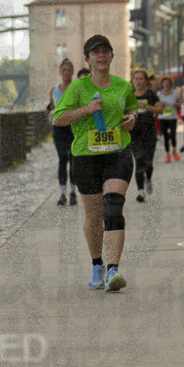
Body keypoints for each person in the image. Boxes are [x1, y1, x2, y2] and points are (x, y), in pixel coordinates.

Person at [53, 34, 138, 292]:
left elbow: (132, 109)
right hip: (85, 157)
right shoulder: (77, 89)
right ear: (88, 59)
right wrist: (86, 110)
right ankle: (97, 264)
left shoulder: (123, 86)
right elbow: (59, 119)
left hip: (117, 154)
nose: (101, 56)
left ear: (112, 56)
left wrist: (132, 118)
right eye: (96, 52)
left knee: (113, 208)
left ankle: (113, 270)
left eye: (106, 51)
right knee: (94, 216)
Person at [47, 58, 78, 206]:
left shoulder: (76, 88)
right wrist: (48, 110)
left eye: (68, 70)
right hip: (59, 127)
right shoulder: (54, 89)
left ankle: (73, 192)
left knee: (73, 159)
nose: (66, 73)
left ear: (72, 72)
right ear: (60, 72)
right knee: (62, 159)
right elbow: (51, 105)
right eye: (63, 70)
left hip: (73, 126)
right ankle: (61, 193)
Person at [128, 70, 160, 202]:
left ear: (146, 81)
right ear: (133, 80)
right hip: (134, 133)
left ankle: (148, 179)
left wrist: (146, 106)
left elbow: (160, 109)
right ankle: (140, 192)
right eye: (136, 79)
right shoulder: (129, 95)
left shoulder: (151, 94)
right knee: (139, 160)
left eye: (141, 79)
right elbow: (124, 111)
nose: (139, 81)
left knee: (148, 162)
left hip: (149, 132)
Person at [156, 76, 180, 163]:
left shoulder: (175, 93)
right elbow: (156, 105)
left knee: (173, 135)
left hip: (173, 117)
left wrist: (176, 104)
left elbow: (180, 102)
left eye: (168, 83)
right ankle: (167, 154)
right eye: (165, 83)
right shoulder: (159, 94)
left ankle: (174, 150)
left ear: (170, 84)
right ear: (162, 84)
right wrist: (160, 104)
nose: (166, 85)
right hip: (163, 117)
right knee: (166, 137)